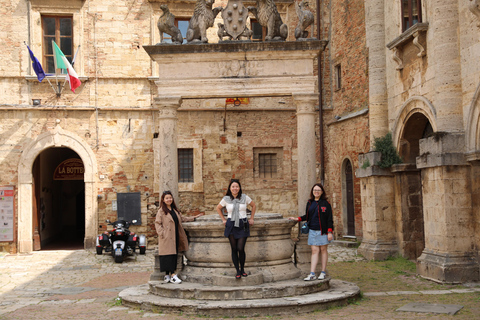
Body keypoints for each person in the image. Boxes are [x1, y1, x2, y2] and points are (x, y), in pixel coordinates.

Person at [155, 190, 204, 284]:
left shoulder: (175, 210)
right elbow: (157, 223)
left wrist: (194, 217)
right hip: (166, 236)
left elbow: (182, 219)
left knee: (173, 254)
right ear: (163, 200)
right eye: (167, 198)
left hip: (175, 235)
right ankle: (172, 275)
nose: (169, 199)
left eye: (170, 198)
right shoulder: (161, 211)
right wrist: (162, 233)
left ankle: (169, 275)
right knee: (167, 255)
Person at [289, 183, 334, 281]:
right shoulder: (309, 203)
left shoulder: (326, 204)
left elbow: (329, 219)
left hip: (323, 231)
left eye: (318, 190)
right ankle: (312, 273)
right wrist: (298, 218)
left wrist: (330, 232)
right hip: (313, 231)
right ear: (312, 192)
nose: (316, 192)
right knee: (314, 251)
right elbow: (307, 216)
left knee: (323, 250)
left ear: (322, 192)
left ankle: (323, 272)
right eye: (315, 190)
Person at [216, 179, 256, 279]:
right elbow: (218, 208)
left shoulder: (244, 197)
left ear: (239, 188)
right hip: (231, 224)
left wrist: (251, 218)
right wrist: (223, 219)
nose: (235, 188)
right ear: (230, 188)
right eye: (233, 187)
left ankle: (242, 269)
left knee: (240, 248)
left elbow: (253, 205)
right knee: (234, 249)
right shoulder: (226, 199)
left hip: (242, 223)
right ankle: (237, 271)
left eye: (237, 186)